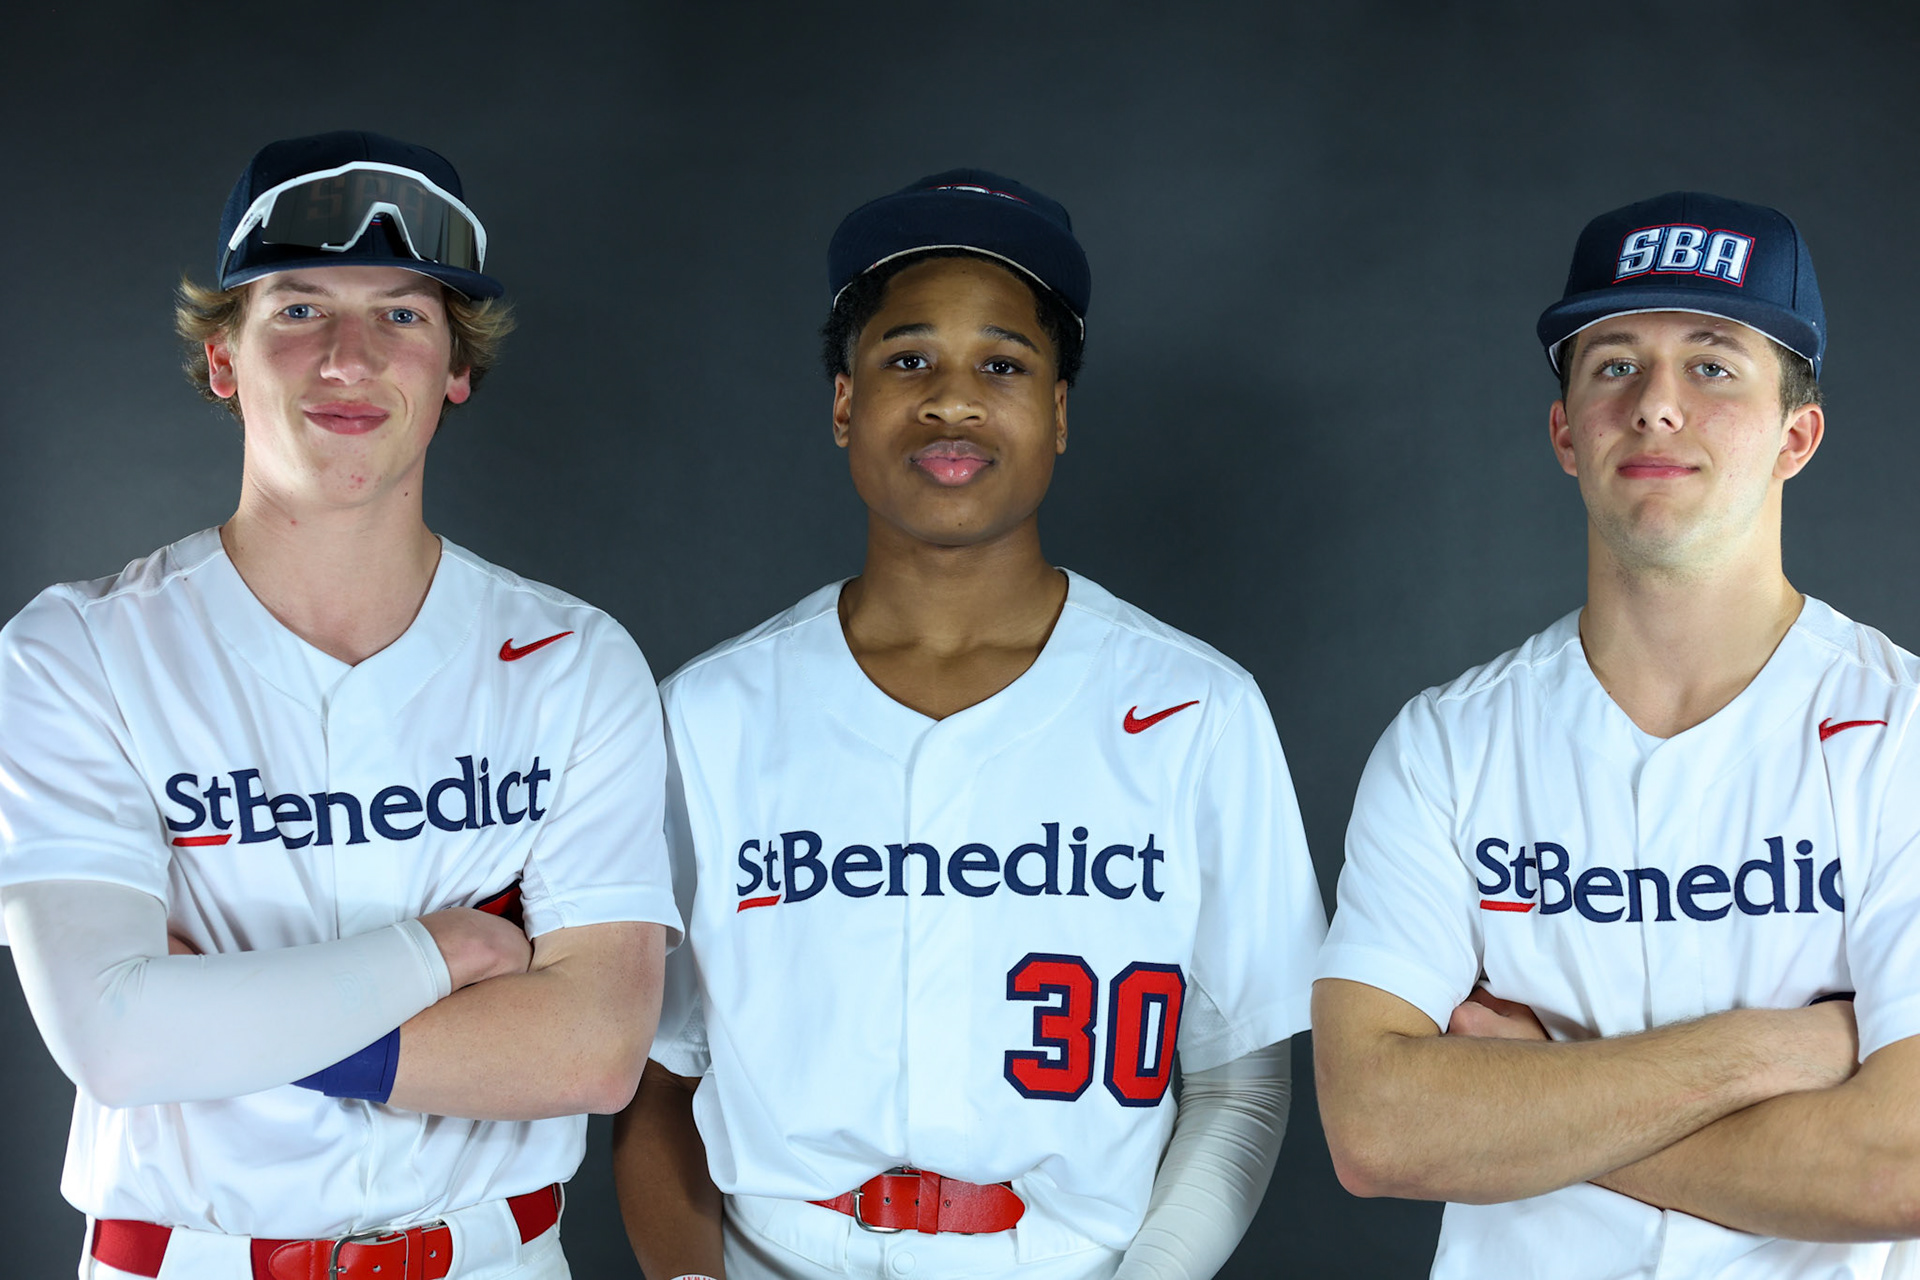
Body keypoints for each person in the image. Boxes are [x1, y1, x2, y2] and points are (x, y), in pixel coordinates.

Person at [610, 170, 1327, 1280]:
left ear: (1057, 412)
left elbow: (1240, 1081)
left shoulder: (1198, 709)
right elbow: (659, 1075)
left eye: (1003, 363)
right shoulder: (710, 711)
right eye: (907, 360)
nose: (952, 399)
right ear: (844, 402)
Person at [0, 130, 679, 1280]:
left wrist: (212, 1015)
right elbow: (113, 1042)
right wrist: (444, 948)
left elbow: (595, 1049)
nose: (349, 359)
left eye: (404, 315)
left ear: (456, 366)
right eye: (299, 308)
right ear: (225, 358)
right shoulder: (75, 651)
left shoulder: (572, 657)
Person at [1313, 191, 1920, 1278]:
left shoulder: (1901, 734)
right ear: (1564, 431)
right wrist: (1783, 1048)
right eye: (1613, 365)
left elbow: (1900, 1164)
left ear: (1798, 435)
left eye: (1714, 363)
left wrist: (1531, 1103)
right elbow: (1377, 1129)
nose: (1656, 405)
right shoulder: (1449, 743)